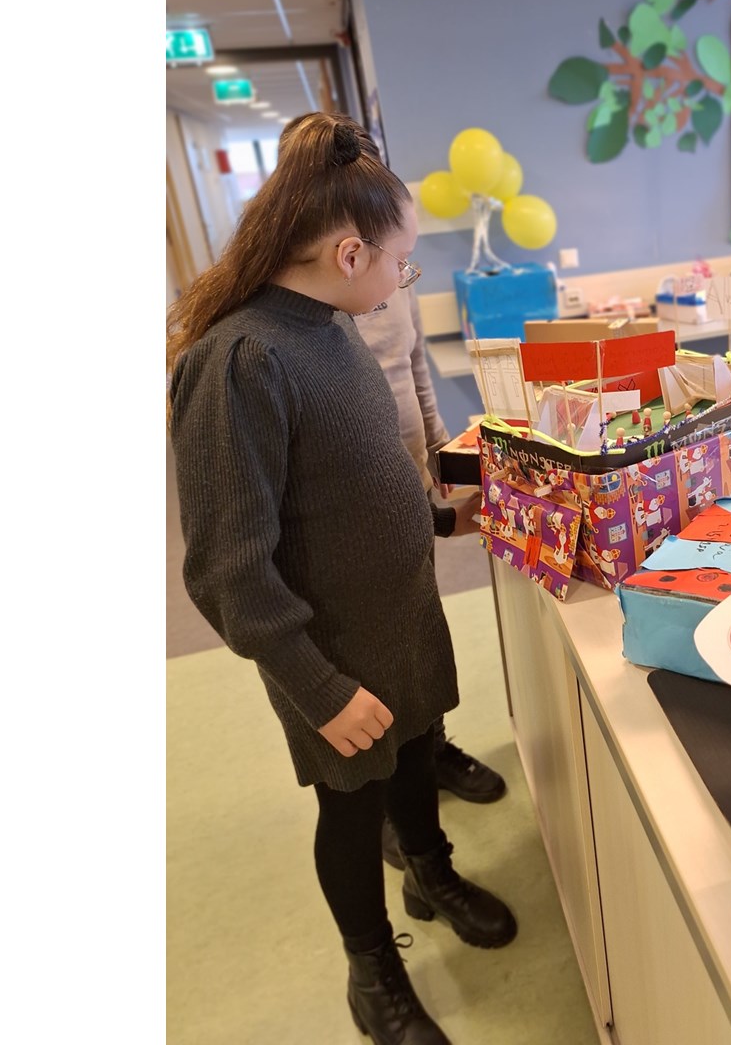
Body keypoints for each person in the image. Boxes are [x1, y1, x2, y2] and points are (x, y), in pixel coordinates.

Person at [168, 111, 515, 1045]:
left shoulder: (332, 325)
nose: (404, 280)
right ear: (348, 252)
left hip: (398, 617)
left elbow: (355, 479)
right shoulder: (239, 361)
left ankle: (432, 872)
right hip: (327, 652)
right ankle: (374, 971)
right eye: (402, 263)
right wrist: (318, 690)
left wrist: (439, 517)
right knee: (353, 808)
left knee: (415, 754)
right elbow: (226, 571)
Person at [278, 115, 507, 871]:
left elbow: (411, 371)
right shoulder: (293, 330)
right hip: (343, 508)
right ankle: (385, 801)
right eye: (400, 262)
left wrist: (440, 468)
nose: (404, 277)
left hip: (401, 484)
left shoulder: (373, 286)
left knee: (413, 648)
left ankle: (425, 759)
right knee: (368, 668)